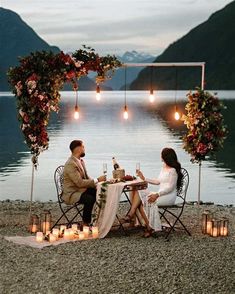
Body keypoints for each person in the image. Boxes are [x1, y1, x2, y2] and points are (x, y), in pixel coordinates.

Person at [122, 147, 183, 238]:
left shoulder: (173, 170)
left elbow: (170, 188)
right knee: (140, 192)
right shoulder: (164, 167)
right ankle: (145, 224)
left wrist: (157, 194)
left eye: (161, 155)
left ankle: (140, 221)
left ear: (165, 157)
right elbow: (158, 181)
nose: (160, 156)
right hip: (160, 193)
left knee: (142, 202)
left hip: (168, 196)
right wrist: (144, 178)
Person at [62, 140, 106, 226]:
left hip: (81, 190)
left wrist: (97, 184)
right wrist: (97, 179)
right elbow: (79, 183)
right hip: (72, 193)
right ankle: (85, 223)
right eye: (83, 147)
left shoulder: (81, 161)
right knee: (90, 199)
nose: (84, 149)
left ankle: (100, 219)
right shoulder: (70, 164)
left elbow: (86, 178)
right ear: (78, 149)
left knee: (101, 192)